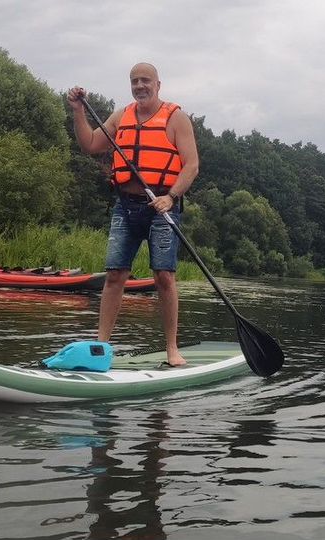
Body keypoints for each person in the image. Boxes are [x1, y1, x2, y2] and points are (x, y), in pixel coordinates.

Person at [67, 63, 199, 366]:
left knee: (164, 276)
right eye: (134, 81)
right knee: (114, 275)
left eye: (145, 81)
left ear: (158, 85)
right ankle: (101, 346)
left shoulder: (176, 118)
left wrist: (171, 196)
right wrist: (77, 111)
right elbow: (89, 144)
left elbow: (191, 165)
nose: (140, 86)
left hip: (162, 207)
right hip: (126, 206)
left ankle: (172, 349)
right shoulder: (120, 116)